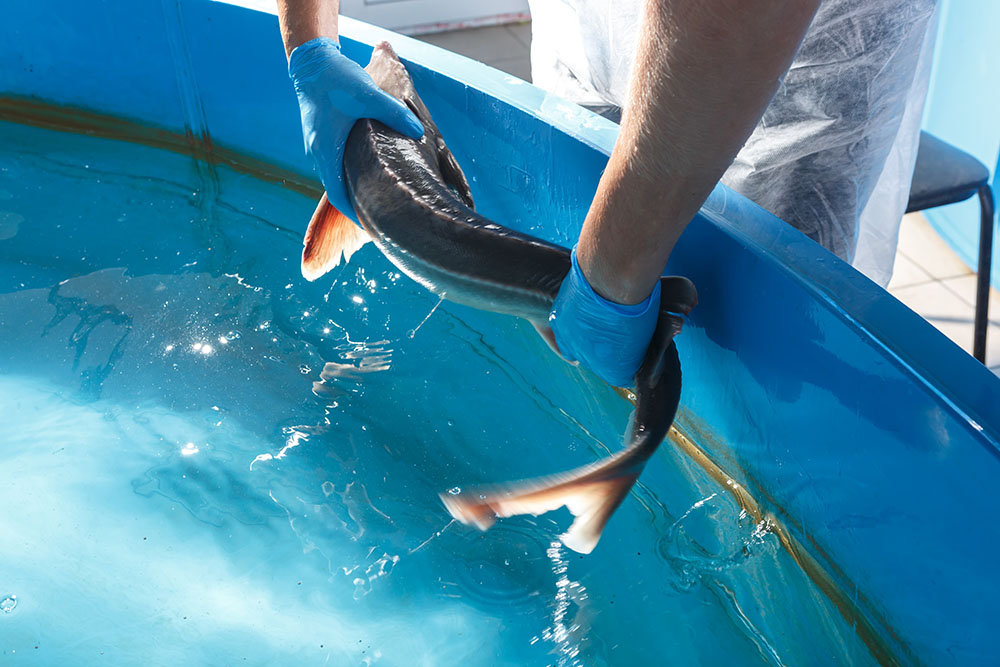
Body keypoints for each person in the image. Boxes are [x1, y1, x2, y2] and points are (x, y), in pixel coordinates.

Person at [277, 0, 938, 388]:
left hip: (784, 52)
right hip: (593, 27)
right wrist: (308, 40)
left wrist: (615, 266)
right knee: (597, 349)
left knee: (757, 372)